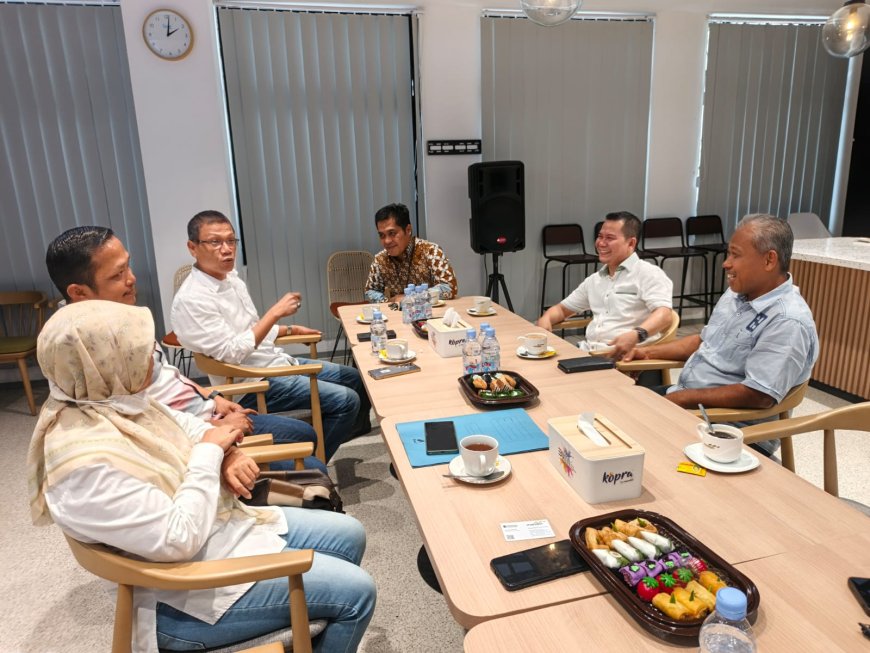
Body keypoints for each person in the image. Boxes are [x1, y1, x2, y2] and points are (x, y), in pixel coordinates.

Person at [27, 301, 376, 652]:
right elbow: (178, 538)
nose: (151, 360)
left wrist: (225, 452)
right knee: (357, 593)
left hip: (215, 534)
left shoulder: (112, 400)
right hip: (180, 595)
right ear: (101, 363)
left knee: (350, 534)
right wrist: (211, 453)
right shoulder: (86, 466)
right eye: (137, 352)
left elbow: (187, 424)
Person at [45, 225, 327, 485]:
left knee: (307, 434)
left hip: (206, 409)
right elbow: (133, 422)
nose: (131, 279)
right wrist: (211, 431)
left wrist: (212, 397)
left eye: (231, 241)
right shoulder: (81, 350)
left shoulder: (121, 319)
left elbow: (166, 377)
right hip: (191, 432)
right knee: (313, 461)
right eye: (118, 275)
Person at [171, 211, 371, 461]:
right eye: (215, 242)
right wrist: (275, 313)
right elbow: (232, 352)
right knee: (346, 400)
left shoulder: (231, 278)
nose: (227, 249)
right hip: (252, 381)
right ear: (193, 247)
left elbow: (250, 329)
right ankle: (312, 465)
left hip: (273, 362)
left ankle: (337, 432)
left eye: (231, 241)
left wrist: (289, 330)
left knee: (355, 378)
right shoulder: (192, 299)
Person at [623, 214, 819, 453]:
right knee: (613, 407)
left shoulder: (787, 321)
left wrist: (682, 399)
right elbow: (704, 342)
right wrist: (646, 352)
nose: (726, 263)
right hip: (689, 403)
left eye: (736, 255)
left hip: (731, 430)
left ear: (769, 260)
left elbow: (758, 395)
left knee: (625, 441)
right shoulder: (738, 294)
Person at [537, 212, 673, 360]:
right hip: (588, 353)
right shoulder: (595, 280)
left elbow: (665, 315)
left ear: (631, 243)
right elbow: (561, 310)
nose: (601, 243)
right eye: (600, 236)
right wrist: (546, 319)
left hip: (624, 360)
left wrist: (637, 334)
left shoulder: (648, 274)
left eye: (609, 238)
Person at [365, 202, 458, 303]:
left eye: (392, 233)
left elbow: (449, 286)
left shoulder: (431, 251)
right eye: (382, 235)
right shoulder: (380, 259)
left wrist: (413, 297)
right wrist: (390, 300)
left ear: (408, 230)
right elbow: (370, 292)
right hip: (398, 312)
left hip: (431, 311)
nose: (387, 241)